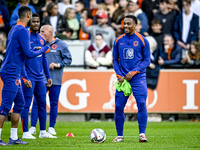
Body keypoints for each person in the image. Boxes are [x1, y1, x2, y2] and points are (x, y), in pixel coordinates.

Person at [0, 6, 50, 145]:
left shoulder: (14, 28)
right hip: (12, 71)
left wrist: (34, 49)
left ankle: (14, 138)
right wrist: (44, 49)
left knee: (21, 103)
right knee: (5, 106)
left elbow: (22, 51)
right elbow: (28, 55)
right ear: (28, 15)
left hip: (13, 70)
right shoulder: (22, 30)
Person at [112, 15, 150, 142]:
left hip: (138, 78)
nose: (126, 26)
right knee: (118, 107)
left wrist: (133, 72)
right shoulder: (118, 40)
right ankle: (119, 135)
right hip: (123, 79)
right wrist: (119, 75)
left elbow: (147, 61)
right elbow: (114, 60)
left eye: (129, 24)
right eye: (124, 23)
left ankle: (142, 134)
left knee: (142, 104)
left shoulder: (143, 40)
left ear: (135, 25)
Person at [29, 25, 72, 136]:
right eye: (40, 31)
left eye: (43, 31)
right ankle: (33, 127)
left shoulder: (61, 45)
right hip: (40, 79)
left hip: (55, 79)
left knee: (53, 103)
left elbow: (68, 59)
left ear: (50, 32)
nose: (41, 33)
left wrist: (58, 64)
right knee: (36, 103)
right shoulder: (39, 43)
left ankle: (51, 127)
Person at [20, 13, 57, 139]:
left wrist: (48, 76)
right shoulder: (25, 37)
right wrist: (25, 78)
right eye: (33, 21)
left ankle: (42, 132)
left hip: (40, 78)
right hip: (29, 77)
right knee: (26, 105)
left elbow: (44, 59)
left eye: (38, 21)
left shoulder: (41, 39)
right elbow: (22, 60)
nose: (36, 24)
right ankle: (25, 132)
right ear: (29, 22)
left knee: (42, 104)